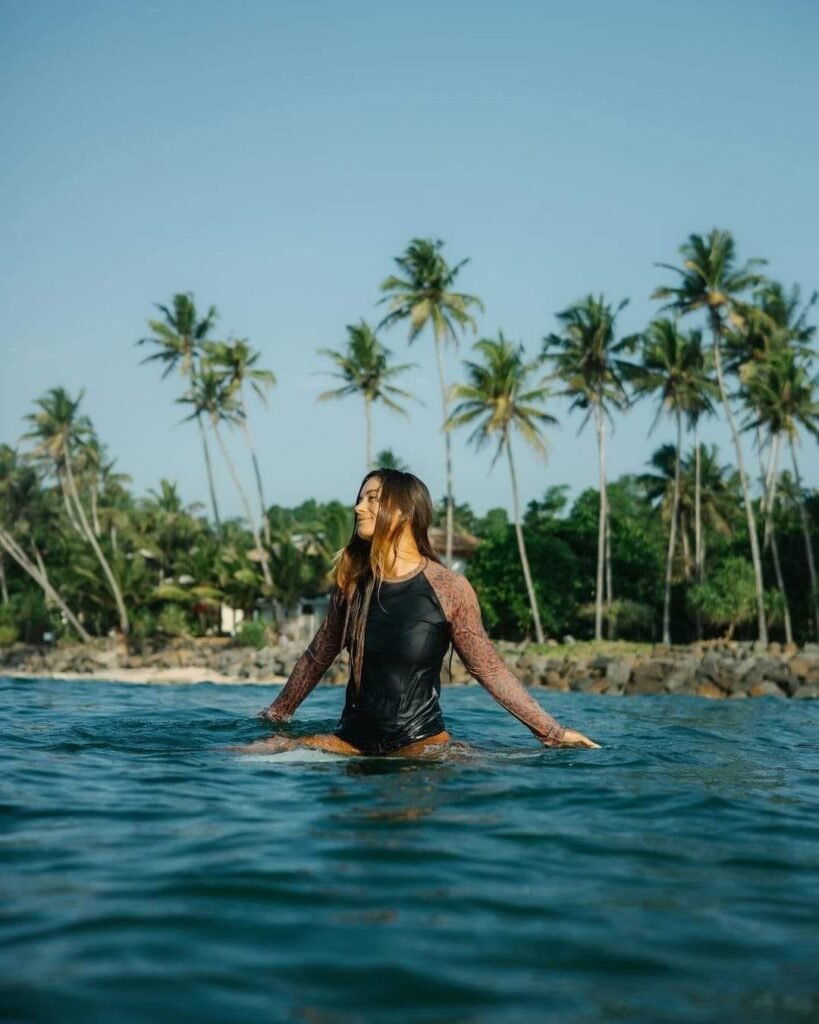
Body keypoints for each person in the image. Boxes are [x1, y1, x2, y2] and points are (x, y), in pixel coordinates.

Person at [241, 469, 599, 757]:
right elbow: (316, 657)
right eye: (359, 499)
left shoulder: (449, 588)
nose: (358, 508)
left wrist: (552, 733)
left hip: (421, 747)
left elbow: (489, 668)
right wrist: (276, 716)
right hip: (350, 743)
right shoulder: (352, 585)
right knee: (247, 755)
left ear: (404, 512)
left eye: (372, 499)